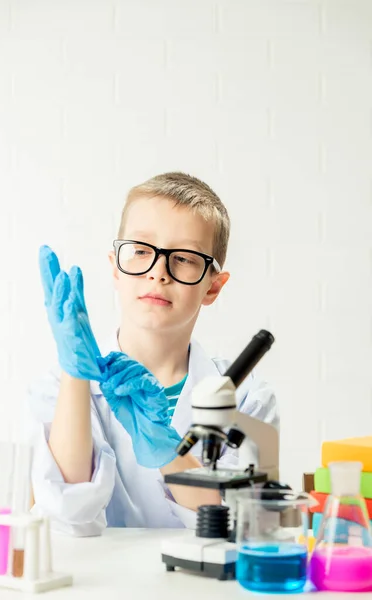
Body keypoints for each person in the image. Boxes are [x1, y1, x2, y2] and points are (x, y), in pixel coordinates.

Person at [29, 172, 278, 535]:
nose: (158, 273)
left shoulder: (249, 398)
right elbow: (66, 519)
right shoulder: (58, 386)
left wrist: (168, 452)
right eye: (142, 251)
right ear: (115, 265)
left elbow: (248, 526)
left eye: (184, 258)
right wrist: (77, 374)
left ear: (214, 286)